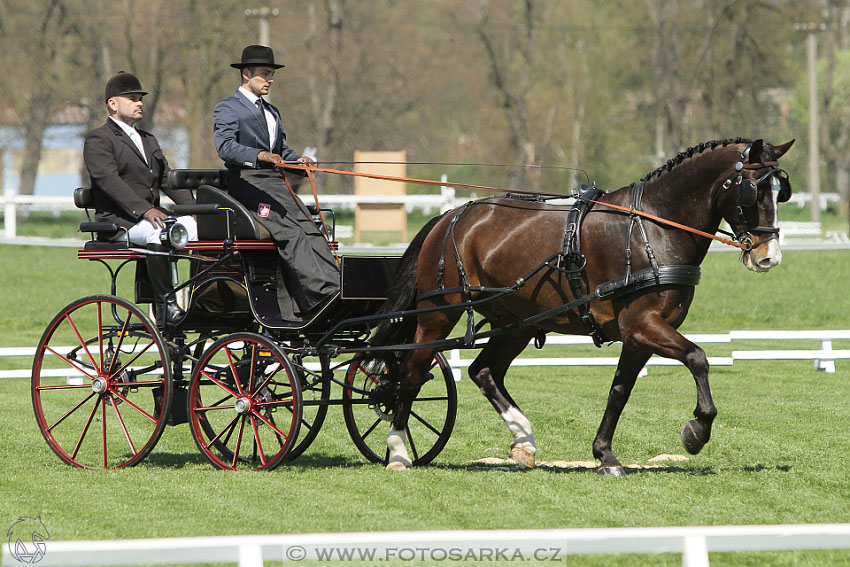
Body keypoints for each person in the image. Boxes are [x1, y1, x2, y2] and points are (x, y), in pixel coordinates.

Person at [213, 45, 339, 321]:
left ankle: (337, 288)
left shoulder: (272, 112)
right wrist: (257, 155)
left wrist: (300, 162)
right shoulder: (227, 108)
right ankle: (318, 296)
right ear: (246, 74)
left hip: (276, 184)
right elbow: (225, 148)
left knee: (311, 227)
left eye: (272, 74)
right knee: (289, 232)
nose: (270, 79)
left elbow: (282, 152)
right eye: (265, 74)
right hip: (247, 183)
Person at [84, 71, 198, 325]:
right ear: (113, 104)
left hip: (151, 218)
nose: (140, 103)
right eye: (133, 98)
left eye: (140, 98)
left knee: (201, 227)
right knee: (159, 233)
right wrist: (145, 210)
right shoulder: (99, 139)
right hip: (119, 222)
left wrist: (196, 210)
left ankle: (201, 301)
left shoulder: (148, 139)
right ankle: (166, 306)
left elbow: (167, 179)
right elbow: (107, 180)